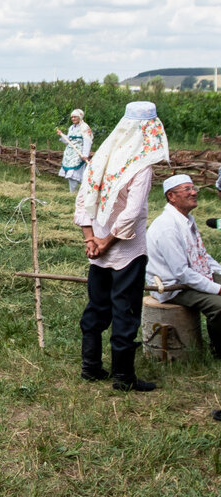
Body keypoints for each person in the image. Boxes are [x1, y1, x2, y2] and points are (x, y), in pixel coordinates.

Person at [73, 101, 166, 392]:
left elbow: (83, 199)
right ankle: (124, 377)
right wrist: (103, 240)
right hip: (126, 251)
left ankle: (90, 367)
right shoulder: (141, 165)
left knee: (97, 306)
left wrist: (91, 238)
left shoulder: (103, 156)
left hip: (98, 252)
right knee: (124, 310)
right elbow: (133, 212)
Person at [146, 175, 221, 359]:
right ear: (171, 196)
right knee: (219, 306)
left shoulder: (187, 220)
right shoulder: (167, 227)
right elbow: (181, 273)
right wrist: (217, 289)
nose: (194, 192)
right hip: (173, 286)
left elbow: (201, 255)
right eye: (187, 189)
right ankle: (218, 351)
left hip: (192, 275)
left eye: (194, 188)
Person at [58, 109, 94, 192]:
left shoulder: (84, 127)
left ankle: (75, 191)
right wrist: (61, 135)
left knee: (73, 173)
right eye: (72, 117)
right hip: (69, 153)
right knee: (69, 172)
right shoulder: (71, 128)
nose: (73, 119)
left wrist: (85, 154)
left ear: (80, 117)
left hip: (78, 152)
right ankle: (73, 191)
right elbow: (68, 140)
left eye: (75, 117)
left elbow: (87, 141)